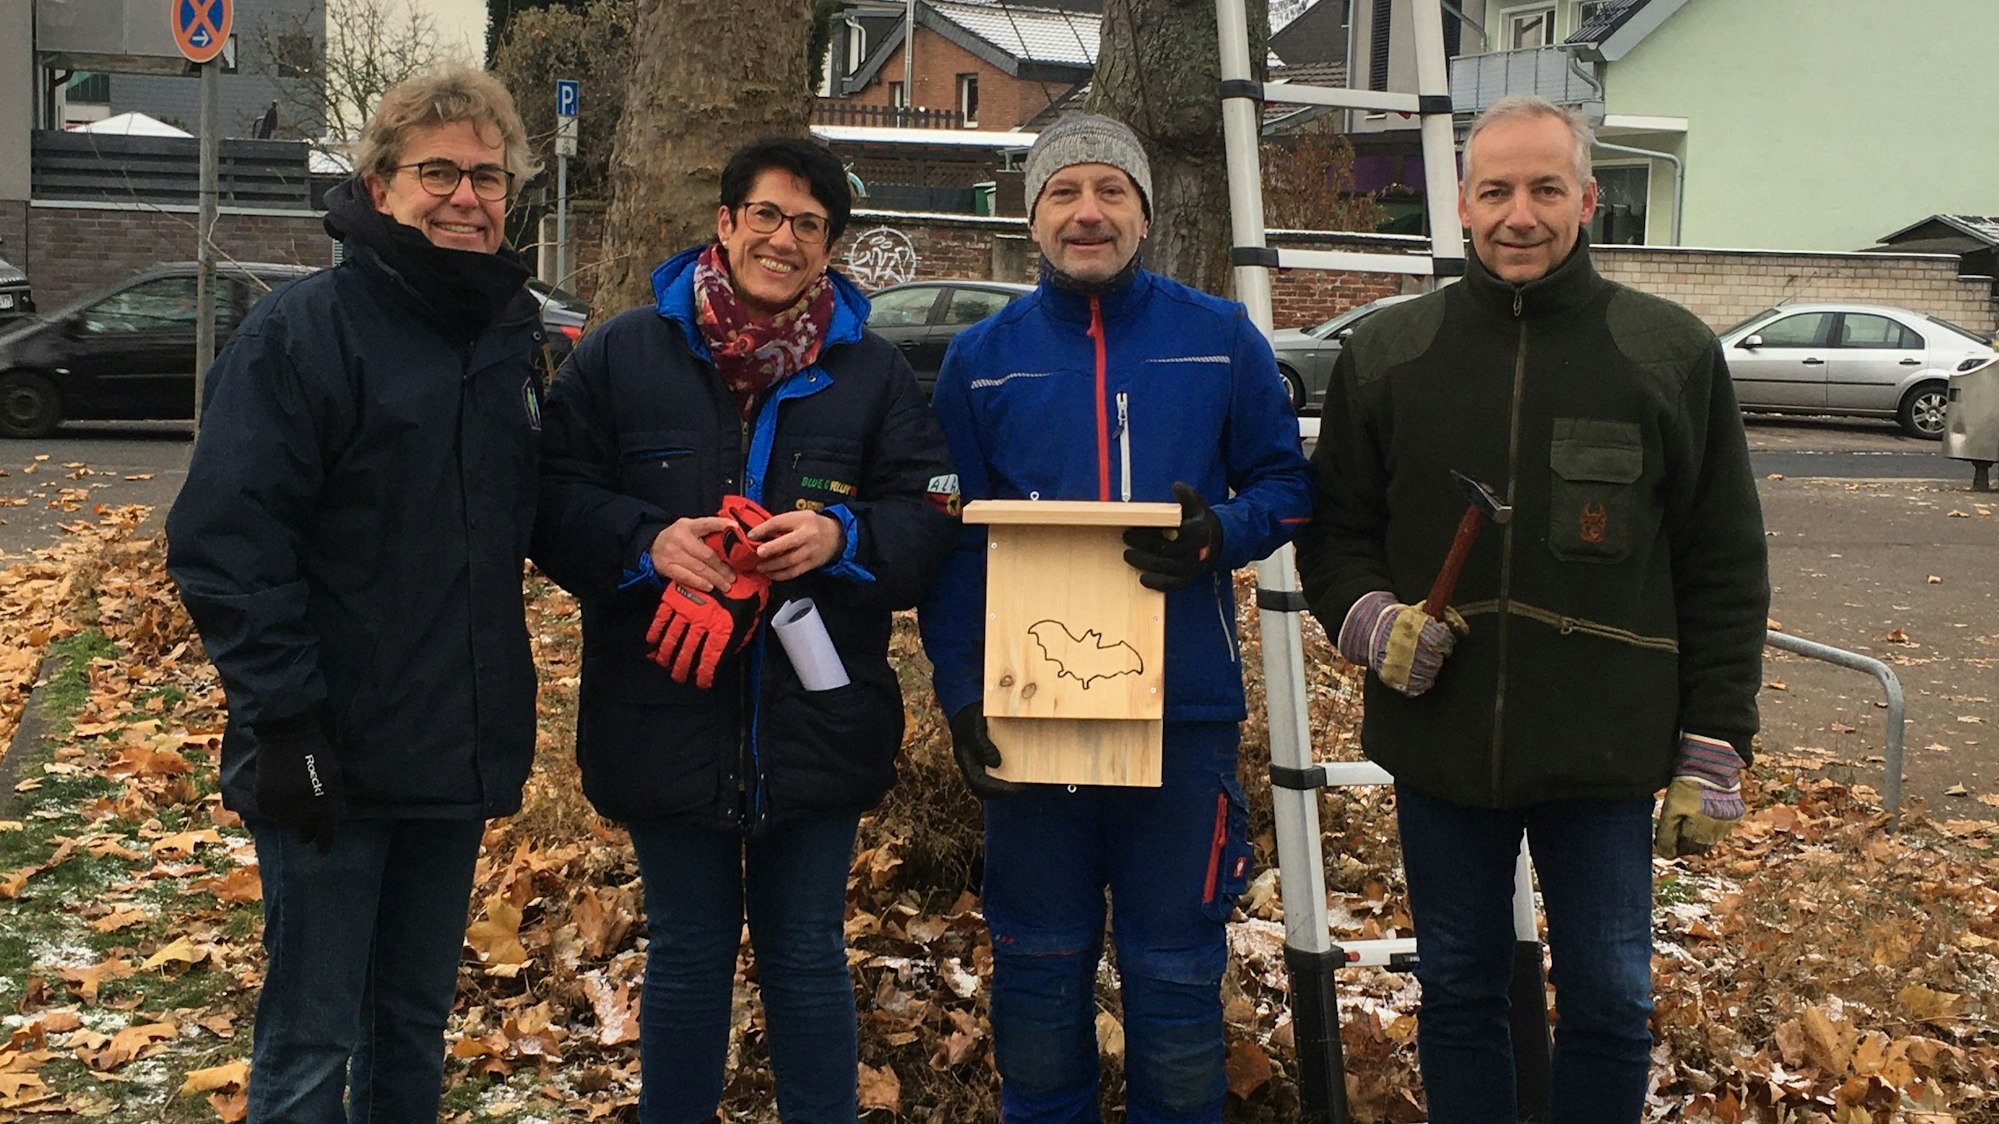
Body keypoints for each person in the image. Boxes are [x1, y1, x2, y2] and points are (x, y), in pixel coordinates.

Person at [1294, 95, 1770, 1123]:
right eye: (1497, 190)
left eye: (1546, 189)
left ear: (1587, 198)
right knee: (1460, 990)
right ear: (1461, 204)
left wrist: (1714, 741)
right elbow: (1332, 533)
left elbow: (1723, 560)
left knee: (1610, 997)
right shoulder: (1388, 354)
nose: (1521, 213)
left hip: (1607, 749)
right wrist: (1373, 621)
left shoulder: (1668, 353)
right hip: (1442, 742)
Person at [531, 135, 957, 1123]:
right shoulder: (622, 353)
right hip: (662, 704)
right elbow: (548, 499)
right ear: (724, 225)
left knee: (806, 950)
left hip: (817, 712)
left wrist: (839, 533)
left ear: (830, 246)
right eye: (765, 215)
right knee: (685, 951)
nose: (783, 238)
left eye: (809, 224)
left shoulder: (872, 372)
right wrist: (648, 542)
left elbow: (930, 514)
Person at [165, 66, 547, 1121]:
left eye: (487, 176)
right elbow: (224, 539)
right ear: (379, 188)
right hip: (328, 754)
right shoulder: (303, 332)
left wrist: (657, 546)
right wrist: (285, 719)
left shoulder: (507, 338)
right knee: (311, 1037)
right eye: (439, 173)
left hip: (452, 751)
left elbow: (536, 509)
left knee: (411, 1026)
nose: (467, 196)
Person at [918, 113, 1314, 1123]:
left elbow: (1287, 484)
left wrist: (1216, 532)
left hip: (1181, 717)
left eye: (1110, 191)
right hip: (1033, 714)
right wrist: (962, 690)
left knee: (1175, 967)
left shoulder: (1218, 339)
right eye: (1063, 192)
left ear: (1145, 211)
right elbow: (956, 544)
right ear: (1031, 213)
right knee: (1039, 964)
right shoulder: (980, 359)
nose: (1087, 211)